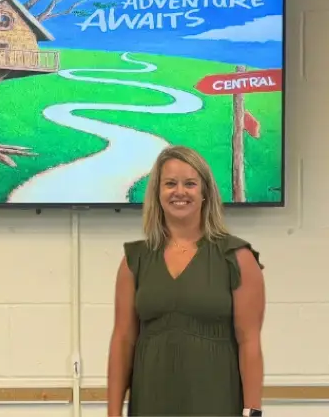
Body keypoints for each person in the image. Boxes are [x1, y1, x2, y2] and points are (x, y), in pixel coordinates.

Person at [106, 145, 267, 416]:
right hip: (150, 403)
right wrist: (113, 412)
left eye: (190, 184)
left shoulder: (237, 258)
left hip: (216, 402)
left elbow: (249, 341)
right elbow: (122, 340)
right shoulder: (135, 261)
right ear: (157, 193)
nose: (179, 191)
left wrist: (253, 411)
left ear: (205, 192)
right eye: (170, 184)